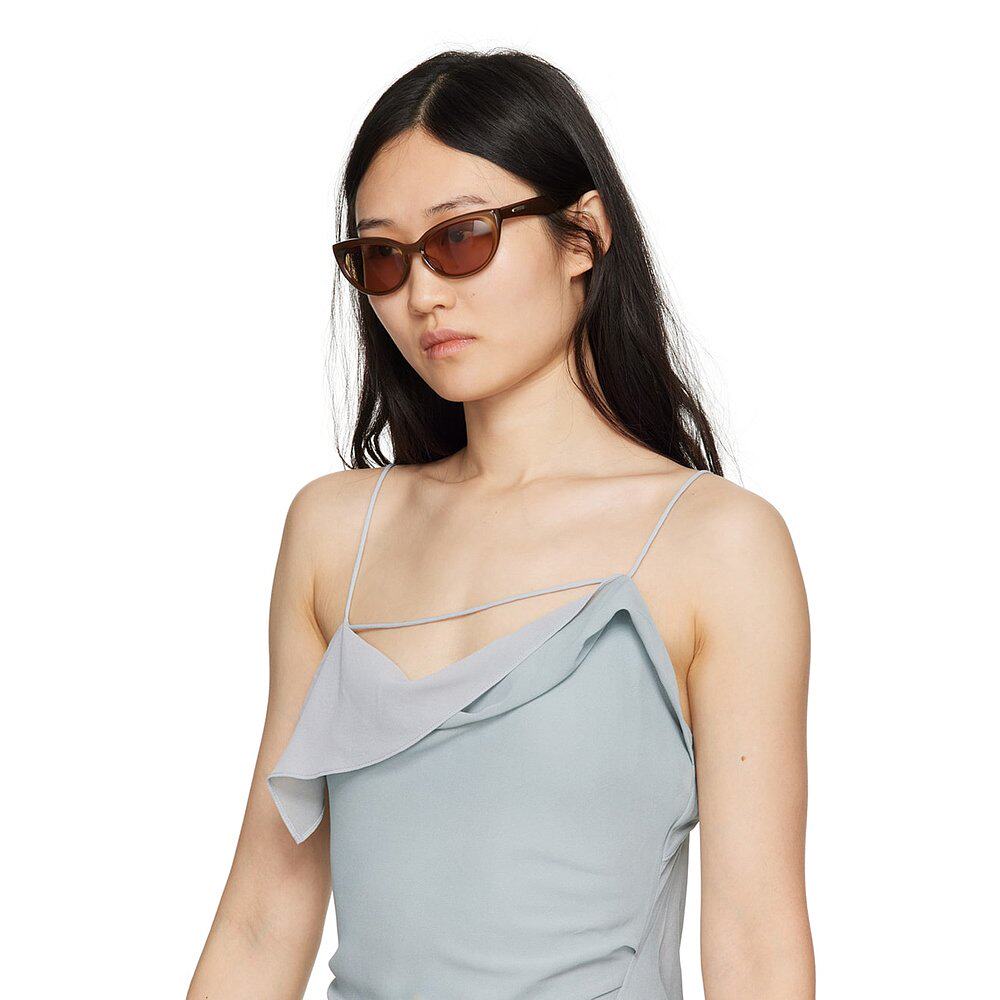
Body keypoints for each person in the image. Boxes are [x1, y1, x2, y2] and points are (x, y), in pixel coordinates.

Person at [187, 49, 814, 1000]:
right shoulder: (335, 531)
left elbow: (758, 943)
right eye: (384, 258)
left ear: (583, 235)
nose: (421, 295)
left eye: (463, 238)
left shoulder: (716, 544)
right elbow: (261, 918)